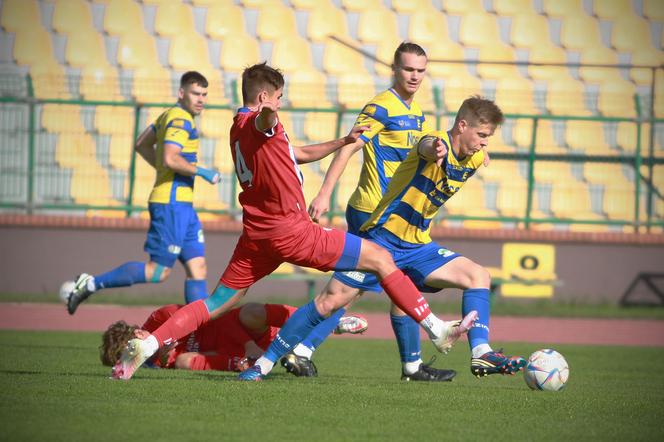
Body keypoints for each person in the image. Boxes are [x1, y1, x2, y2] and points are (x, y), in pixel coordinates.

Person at [111, 62, 474, 381]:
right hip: (292, 230)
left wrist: (343, 141)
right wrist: (268, 111)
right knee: (380, 257)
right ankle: (436, 328)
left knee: (216, 301)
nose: (281, 104)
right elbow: (266, 121)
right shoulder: (259, 121)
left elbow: (294, 153)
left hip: (257, 235)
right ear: (266, 96)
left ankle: (150, 344)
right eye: (279, 97)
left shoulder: (237, 127)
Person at [246, 96, 526, 381]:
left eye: (488, 137)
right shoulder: (433, 142)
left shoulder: (477, 156)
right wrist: (435, 148)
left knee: (479, 276)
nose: (483, 143)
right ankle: (265, 363)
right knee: (329, 302)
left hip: (418, 246)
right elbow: (426, 147)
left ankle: (480, 353)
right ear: (461, 126)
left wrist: (480, 151)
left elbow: (475, 154)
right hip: (381, 241)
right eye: (481, 135)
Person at [286, 42, 452, 382]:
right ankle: (300, 350)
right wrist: (324, 193)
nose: (415, 76)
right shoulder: (380, 107)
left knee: (397, 287)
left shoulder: (416, 111)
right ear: (394, 69)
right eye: (409, 69)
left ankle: (411, 366)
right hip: (371, 214)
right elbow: (349, 147)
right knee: (350, 290)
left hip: (395, 217)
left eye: (421, 70)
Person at [62, 71, 220, 314]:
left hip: (184, 207)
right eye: (195, 93)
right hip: (170, 204)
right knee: (158, 272)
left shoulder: (169, 115)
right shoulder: (180, 120)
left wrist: (163, 167)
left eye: (204, 95)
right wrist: (202, 172)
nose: (200, 99)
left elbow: (141, 144)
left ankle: (198, 333)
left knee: (197, 268)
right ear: (181, 93)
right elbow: (170, 157)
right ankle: (90, 283)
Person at [100, 302, 368, 373]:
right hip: (232, 352)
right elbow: (199, 359)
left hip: (236, 328)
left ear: (138, 334)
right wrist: (238, 360)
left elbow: (214, 314)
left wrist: (248, 343)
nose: (134, 358)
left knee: (250, 311)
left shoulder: (163, 317)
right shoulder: (153, 362)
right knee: (184, 363)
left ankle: (324, 321)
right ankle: (256, 365)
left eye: (130, 351)